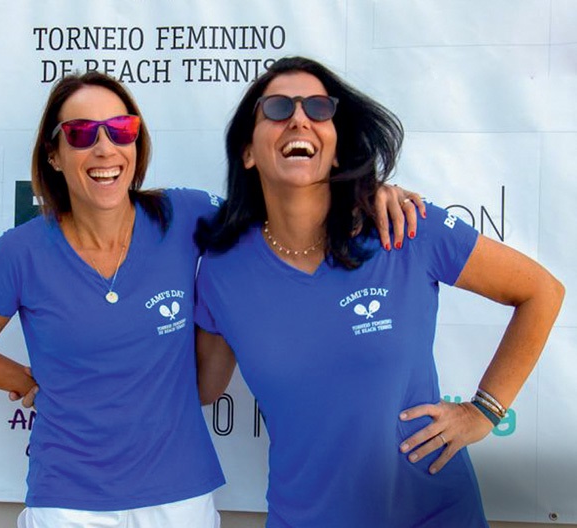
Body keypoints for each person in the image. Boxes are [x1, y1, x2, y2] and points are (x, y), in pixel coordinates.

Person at [0, 70, 421, 528]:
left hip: (179, 496)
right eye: (82, 133)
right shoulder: (18, 253)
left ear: (137, 142)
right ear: (53, 154)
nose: (105, 147)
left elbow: (287, 205)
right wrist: (30, 381)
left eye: (121, 129)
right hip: (66, 500)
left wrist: (367, 191)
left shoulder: (183, 215)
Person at [194, 56, 564, 527]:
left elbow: (541, 292)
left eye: (319, 108)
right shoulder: (222, 272)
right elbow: (204, 387)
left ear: (336, 145)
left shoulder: (404, 228)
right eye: (279, 108)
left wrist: (483, 412)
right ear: (248, 151)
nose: (300, 118)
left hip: (433, 516)